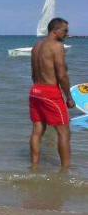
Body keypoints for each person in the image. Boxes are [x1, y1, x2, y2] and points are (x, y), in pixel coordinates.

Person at [29, 17, 75, 169]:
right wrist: (69, 96)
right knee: (64, 132)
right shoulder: (57, 46)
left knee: (37, 131)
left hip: (35, 91)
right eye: (65, 31)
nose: (67, 34)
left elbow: (34, 73)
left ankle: (34, 166)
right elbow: (62, 74)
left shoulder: (37, 46)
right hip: (50, 92)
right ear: (55, 30)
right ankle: (65, 170)